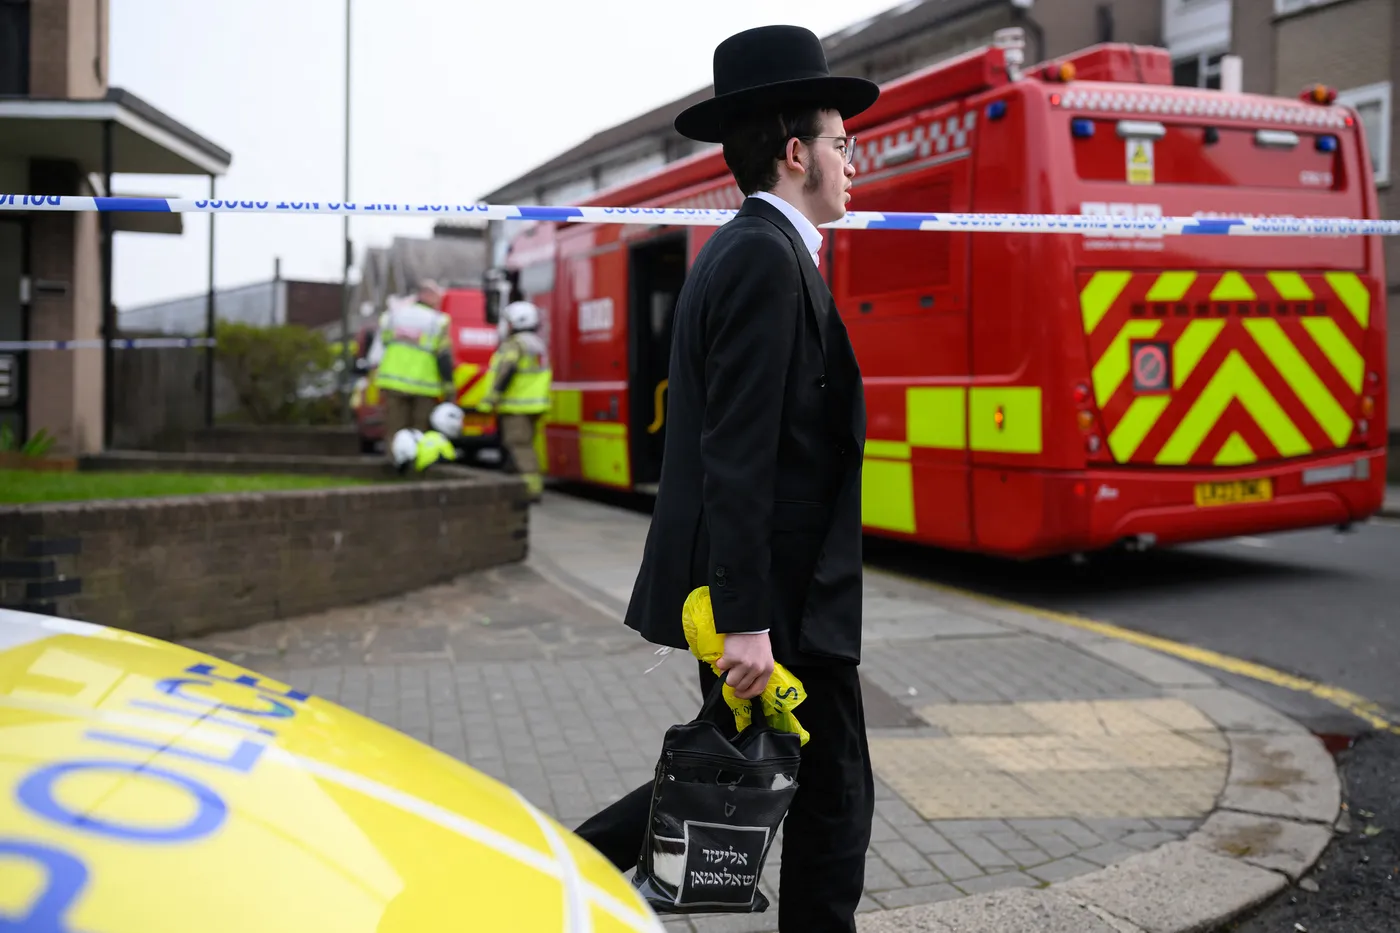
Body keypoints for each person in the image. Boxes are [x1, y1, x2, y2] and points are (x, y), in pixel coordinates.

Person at [572, 24, 879, 933]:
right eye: (842, 142)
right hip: (778, 605)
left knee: (740, 773)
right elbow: (735, 452)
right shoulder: (760, 258)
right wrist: (747, 622)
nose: (852, 161)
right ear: (797, 153)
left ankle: (543, 865)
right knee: (828, 801)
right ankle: (537, 866)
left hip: (785, 599)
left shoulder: (764, 252)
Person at [366, 280, 454, 459]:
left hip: (393, 382)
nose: (439, 301)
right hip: (424, 384)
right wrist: (449, 384)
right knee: (419, 430)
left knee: (395, 429)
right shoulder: (438, 321)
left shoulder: (393, 316)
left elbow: (379, 345)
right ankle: (418, 466)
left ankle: (394, 463)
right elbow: (443, 356)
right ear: (428, 296)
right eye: (437, 297)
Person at [477, 298, 552, 502]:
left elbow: (507, 371)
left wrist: (493, 397)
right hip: (535, 403)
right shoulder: (537, 344)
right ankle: (515, 485)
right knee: (524, 444)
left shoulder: (515, 344)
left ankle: (531, 489)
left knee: (519, 445)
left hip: (516, 404)